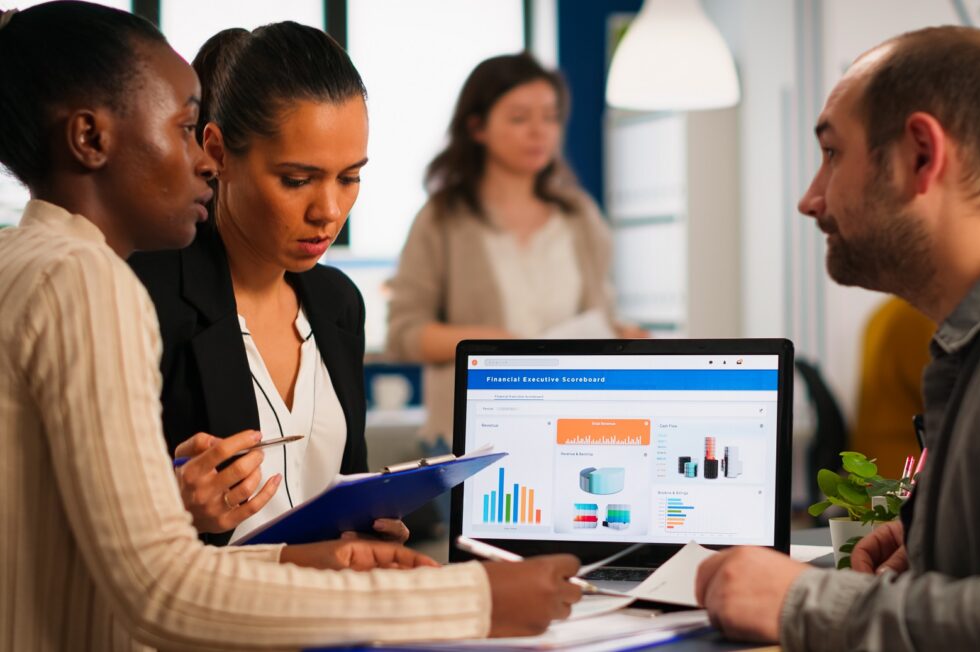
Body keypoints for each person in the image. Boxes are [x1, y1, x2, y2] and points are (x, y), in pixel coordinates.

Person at [0, 3, 580, 649]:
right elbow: (161, 589)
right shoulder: (96, 281)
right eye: (184, 128)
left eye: (351, 178)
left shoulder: (29, 262)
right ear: (91, 138)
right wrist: (467, 598)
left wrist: (346, 557)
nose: (198, 159)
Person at [695, 26, 980, 650]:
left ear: (921, 156)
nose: (810, 199)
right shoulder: (979, 337)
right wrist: (937, 536)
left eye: (832, 154)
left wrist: (813, 604)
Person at [129, 23, 402, 546]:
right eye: (297, 180)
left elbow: (349, 484)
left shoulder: (338, 303)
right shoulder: (145, 296)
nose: (328, 211)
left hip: (330, 618)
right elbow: (88, 514)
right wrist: (169, 505)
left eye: (349, 178)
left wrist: (371, 533)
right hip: (208, 618)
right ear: (218, 152)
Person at [387, 52, 644, 453]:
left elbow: (602, 313)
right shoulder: (442, 218)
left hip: (572, 429)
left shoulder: (579, 216)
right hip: (469, 437)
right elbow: (404, 335)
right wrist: (494, 343)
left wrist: (622, 335)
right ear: (477, 127)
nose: (539, 132)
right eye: (520, 118)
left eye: (551, 116)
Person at [851, 296, 933, 477]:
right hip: (904, 477)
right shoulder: (919, 316)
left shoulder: (888, 312)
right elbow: (952, 401)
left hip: (873, 472)